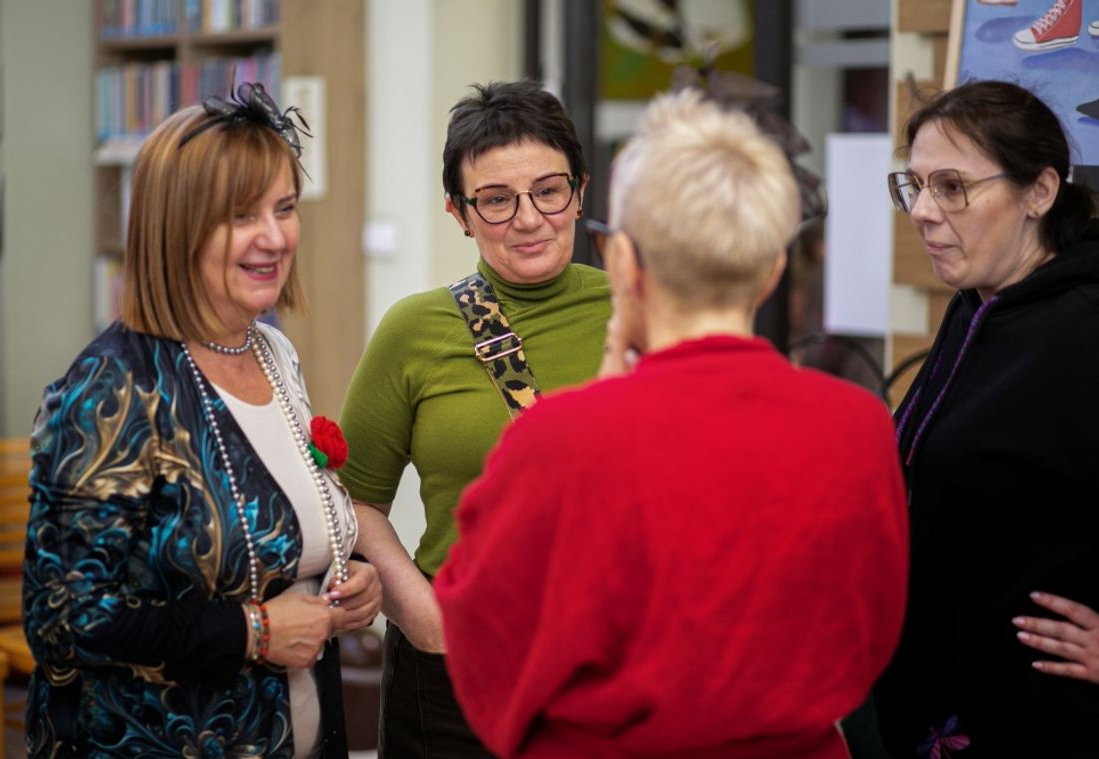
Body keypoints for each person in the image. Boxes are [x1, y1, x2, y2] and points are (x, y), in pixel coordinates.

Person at [434, 88, 910, 758]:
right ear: (773, 269)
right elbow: (873, 632)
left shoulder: (557, 439)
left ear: (623, 263)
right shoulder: (858, 425)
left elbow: (484, 640)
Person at [24, 82, 381, 758]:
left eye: (285, 208)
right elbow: (63, 620)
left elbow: (277, 527)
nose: (274, 237)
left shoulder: (274, 352)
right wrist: (253, 632)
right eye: (242, 215)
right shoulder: (112, 387)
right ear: (177, 225)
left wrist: (351, 575)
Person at [337, 79, 610, 756]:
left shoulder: (638, 310)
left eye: (549, 190)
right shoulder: (414, 329)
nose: (528, 218)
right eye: (496, 200)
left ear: (580, 189)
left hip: (608, 661)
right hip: (456, 671)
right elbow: (351, 498)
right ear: (459, 213)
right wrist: (421, 616)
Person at [874, 80, 1099, 757]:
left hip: (1043, 725)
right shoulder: (978, 301)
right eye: (914, 185)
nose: (922, 212)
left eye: (952, 186)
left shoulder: (1085, 325)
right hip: (940, 709)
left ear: (1039, 192)